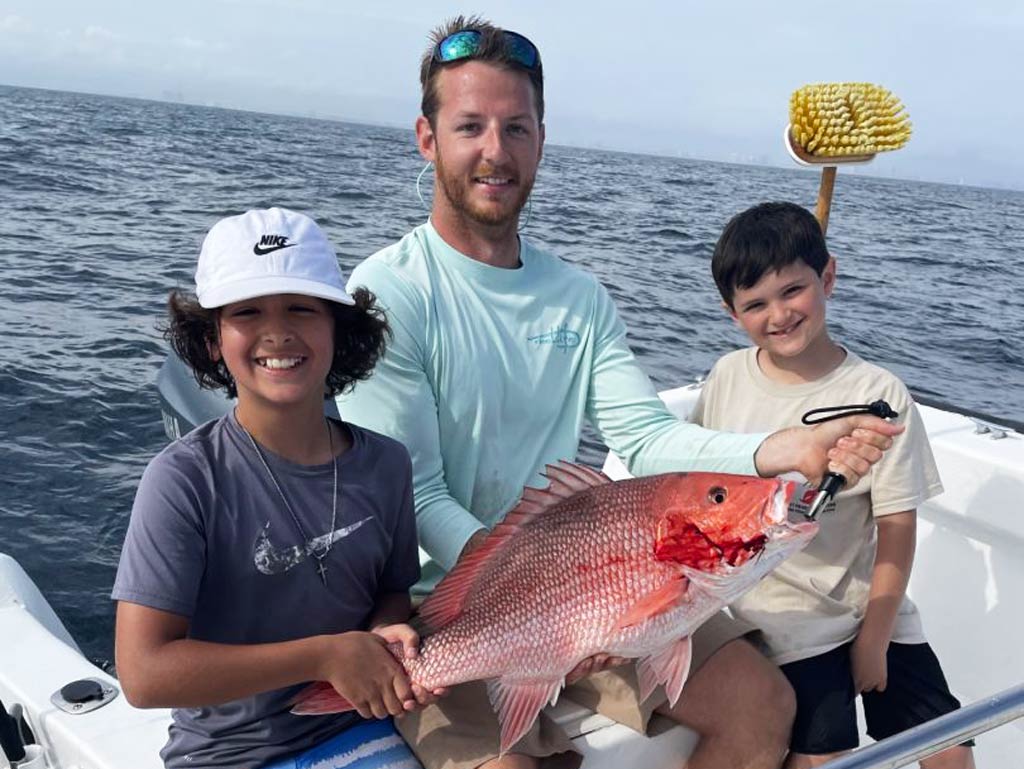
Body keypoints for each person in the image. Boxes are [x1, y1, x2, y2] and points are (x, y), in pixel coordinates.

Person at [336, 17, 902, 769]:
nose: (494, 151)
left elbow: (645, 437)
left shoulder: (578, 296)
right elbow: (417, 489)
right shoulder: (389, 290)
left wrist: (785, 450)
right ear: (426, 137)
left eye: (516, 127)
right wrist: (548, 606)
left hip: (589, 580)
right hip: (446, 606)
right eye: (470, 125)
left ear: (541, 139)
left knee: (763, 702)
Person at [112, 207, 443, 769]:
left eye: (301, 308)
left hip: (365, 726)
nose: (278, 331)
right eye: (247, 311)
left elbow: (391, 592)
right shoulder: (185, 479)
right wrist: (324, 656)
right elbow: (143, 675)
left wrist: (387, 631)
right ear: (213, 338)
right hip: (232, 756)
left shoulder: (386, 463)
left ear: (339, 327)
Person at [691, 201, 976, 769]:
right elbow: (695, 484)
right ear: (732, 314)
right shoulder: (726, 377)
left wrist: (874, 636)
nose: (779, 315)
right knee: (826, 752)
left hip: (870, 605)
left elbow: (896, 526)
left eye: (793, 291)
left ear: (828, 277)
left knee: (948, 746)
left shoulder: (880, 393)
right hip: (777, 614)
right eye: (755, 304)